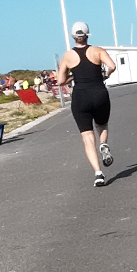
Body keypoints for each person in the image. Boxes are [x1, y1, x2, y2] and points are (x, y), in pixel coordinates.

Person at [57, 21, 117, 187]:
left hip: (81, 96)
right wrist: (105, 74)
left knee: (87, 136)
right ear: (87, 35)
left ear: (73, 37)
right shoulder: (97, 51)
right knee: (102, 125)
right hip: (99, 93)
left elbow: (60, 80)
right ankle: (103, 144)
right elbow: (112, 66)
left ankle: (98, 174)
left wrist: (73, 77)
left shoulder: (68, 56)